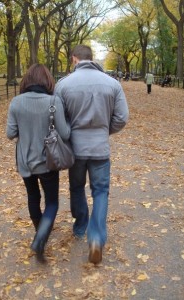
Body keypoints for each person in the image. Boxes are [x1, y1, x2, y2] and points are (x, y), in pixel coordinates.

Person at [55, 45, 129, 264]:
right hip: (100, 149)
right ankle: (96, 237)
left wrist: (70, 134)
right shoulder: (112, 83)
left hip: (75, 150)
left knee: (77, 187)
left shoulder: (63, 85)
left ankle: (80, 227)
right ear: (92, 58)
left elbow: (58, 120)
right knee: (100, 191)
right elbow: (122, 117)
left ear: (74, 59)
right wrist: (105, 130)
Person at [6, 64, 71, 262]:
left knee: (33, 197)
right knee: (52, 201)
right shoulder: (54, 101)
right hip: (48, 161)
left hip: (25, 161)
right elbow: (66, 134)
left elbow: (10, 133)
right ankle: (41, 238)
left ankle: (38, 234)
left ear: (26, 80)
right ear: (48, 81)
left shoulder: (16, 102)